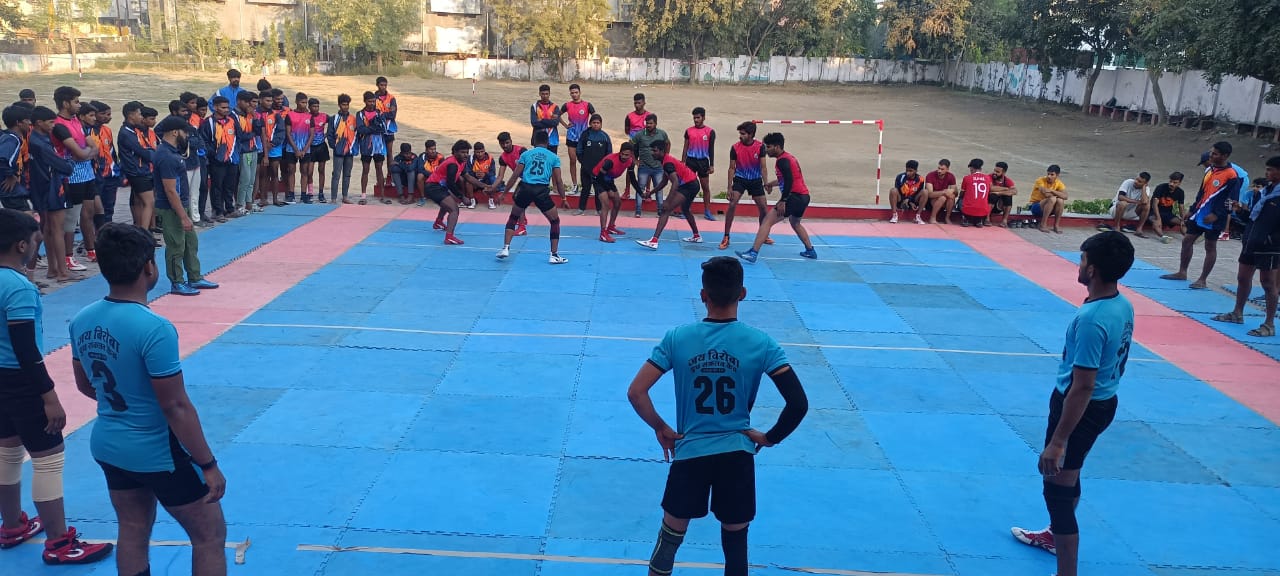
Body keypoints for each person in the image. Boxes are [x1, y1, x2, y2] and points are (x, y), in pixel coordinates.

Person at [626, 255, 808, 576]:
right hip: (736, 456)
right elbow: (798, 403)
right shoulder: (762, 343)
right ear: (743, 293)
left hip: (690, 453)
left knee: (668, 543)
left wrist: (661, 427)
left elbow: (636, 392)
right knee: (736, 548)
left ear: (703, 295)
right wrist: (769, 438)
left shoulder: (677, 338)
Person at [70, 222, 227, 576]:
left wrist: (124, 402)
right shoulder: (154, 328)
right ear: (149, 267)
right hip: (156, 450)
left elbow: (85, 385)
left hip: (109, 443)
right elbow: (175, 406)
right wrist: (207, 464)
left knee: (133, 527)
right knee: (209, 535)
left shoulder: (82, 319)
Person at [1011, 231, 1135, 576]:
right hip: (1103, 403)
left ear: (1092, 269)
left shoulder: (1092, 319)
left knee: (1057, 493)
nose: (1078, 265)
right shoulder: (1121, 304)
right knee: (1069, 476)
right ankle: (1054, 536)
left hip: (1080, 409)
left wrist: (1058, 441)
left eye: (1082, 259)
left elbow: (1082, 386)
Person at [0, 209, 115, 565]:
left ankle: (11, 525)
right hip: (22, 381)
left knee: (7, 451)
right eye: (36, 241)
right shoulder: (18, 288)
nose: (38, 247)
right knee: (48, 457)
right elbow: (25, 350)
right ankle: (59, 542)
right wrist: (48, 395)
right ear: (22, 245)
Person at [1211, 156, 1280, 337]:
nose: (1267, 172)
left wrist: (1270, 240)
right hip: (1251, 241)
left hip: (1269, 247)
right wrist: (1241, 210)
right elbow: (1254, 217)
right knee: (1242, 277)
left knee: (1268, 284)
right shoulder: (1264, 192)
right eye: (1267, 169)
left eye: (1271, 169)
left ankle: (1269, 324)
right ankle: (1237, 313)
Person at [1161, 142, 1243, 289]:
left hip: (1215, 218)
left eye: (1215, 154)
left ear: (1225, 156)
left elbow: (1232, 200)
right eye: (1211, 152)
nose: (1211, 155)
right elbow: (1202, 192)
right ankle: (1182, 272)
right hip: (1199, 213)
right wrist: (1192, 209)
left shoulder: (1232, 175)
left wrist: (1217, 215)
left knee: (1210, 246)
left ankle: (1203, 279)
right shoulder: (1209, 170)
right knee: (1187, 240)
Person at [153, 115, 220, 296]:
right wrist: (183, 216)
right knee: (176, 245)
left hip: (180, 205)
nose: (187, 136)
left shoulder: (172, 153)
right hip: (171, 208)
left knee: (190, 243)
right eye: (185, 132)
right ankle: (177, 282)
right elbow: (170, 190)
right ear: (175, 132)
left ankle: (194, 276)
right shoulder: (166, 156)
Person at [736, 133, 817, 263]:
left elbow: (789, 181)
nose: (766, 150)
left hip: (793, 197)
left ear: (777, 147)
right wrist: (770, 184)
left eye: (768, 147)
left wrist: (783, 201)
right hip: (804, 197)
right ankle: (810, 250)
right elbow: (788, 178)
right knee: (795, 223)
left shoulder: (782, 161)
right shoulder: (789, 158)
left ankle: (753, 253)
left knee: (767, 221)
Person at [496, 131, 569, 264]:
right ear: (548, 142)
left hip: (525, 188)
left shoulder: (526, 154)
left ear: (534, 142)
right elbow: (558, 181)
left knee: (513, 217)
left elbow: (515, 175)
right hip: (541, 190)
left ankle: (505, 248)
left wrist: (504, 193)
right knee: (555, 221)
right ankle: (554, 255)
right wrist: (564, 199)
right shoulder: (553, 157)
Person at [51, 87, 98, 273]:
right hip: (72, 177)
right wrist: (86, 153)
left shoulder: (77, 120)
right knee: (71, 219)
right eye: (76, 102)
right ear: (65, 103)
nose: (79, 105)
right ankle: (68, 257)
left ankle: (90, 249)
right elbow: (79, 153)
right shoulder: (59, 125)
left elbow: (93, 147)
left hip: (87, 174)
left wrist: (86, 153)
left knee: (89, 213)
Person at [28, 106, 76, 283]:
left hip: (39, 187)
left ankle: (53, 269)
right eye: (50, 122)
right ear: (39, 123)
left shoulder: (34, 138)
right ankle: (62, 271)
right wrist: (70, 161)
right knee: (57, 229)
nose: (53, 125)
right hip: (51, 187)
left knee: (48, 228)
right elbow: (64, 167)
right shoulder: (41, 144)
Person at [635, 141, 705, 249]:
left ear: (662, 151)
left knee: (665, 210)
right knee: (685, 209)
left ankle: (654, 241)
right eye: (651, 150)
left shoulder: (667, 163)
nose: (652, 153)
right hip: (693, 183)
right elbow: (664, 182)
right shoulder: (666, 161)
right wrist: (651, 193)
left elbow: (675, 182)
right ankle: (696, 236)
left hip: (689, 185)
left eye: (654, 150)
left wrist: (667, 201)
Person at [720, 122, 772, 249]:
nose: (740, 136)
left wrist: (766, 183)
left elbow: (763, 167)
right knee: (732, 204)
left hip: (755, 180)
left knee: (764, 208)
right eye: (740, 133)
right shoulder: (735, 148)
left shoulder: (760, 147)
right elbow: (731, 168)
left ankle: (763, 234)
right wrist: (729, 187)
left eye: (743, 134)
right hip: (740, 179)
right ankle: (726, 236)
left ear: (751, 134)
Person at [424, 140, 486, 245]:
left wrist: (484, 186)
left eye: (467, 152)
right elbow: (451, 184)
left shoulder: (462, 162)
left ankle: (438, 222)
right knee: (454, 210)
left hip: (439, 186)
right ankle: (449, 237)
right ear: (455, 152)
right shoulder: (452, 164)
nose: (465, 155)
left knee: (448, 202)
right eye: (462, 152)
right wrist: (462, 197)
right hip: (434, 187)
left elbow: (468, 177)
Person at [118, 101, 157, 229]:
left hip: (138, 170)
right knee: (149, 202)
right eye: (139, 114)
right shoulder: (126, 133)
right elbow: (141, 151)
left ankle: (141, 230)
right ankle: (144, 232)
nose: (141, 117)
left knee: (140, 202)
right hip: (137, 172)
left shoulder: (131, 131)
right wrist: (155, 155)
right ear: (131, 115)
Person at [201, 96, 240, 221]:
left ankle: (229, 209)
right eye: (223, 107)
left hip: (232, 159)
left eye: (227, 107)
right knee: (217, 186)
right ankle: (217, 211)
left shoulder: (232, 121)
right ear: (215, 107)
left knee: (229, 185)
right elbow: (204, 141)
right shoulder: (208, 123)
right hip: (217, 161)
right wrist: (215, 154)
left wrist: (234, 153)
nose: (226, 110)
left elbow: (238, 137)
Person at [592, 142, 637, 242]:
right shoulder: (610, 161)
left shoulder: (630, 161)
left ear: (631, 155)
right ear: (620, 152)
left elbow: (633, 179)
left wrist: (641, 193)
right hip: (598, 179)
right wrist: (608, 190)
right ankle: (603, 233)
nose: (624, 157)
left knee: (617, 202)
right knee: (606, 204)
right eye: (622, 154)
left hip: (609, 179)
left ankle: (611, 227)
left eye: (627, 155)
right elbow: (599, 178)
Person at [630, 113, 670, 218]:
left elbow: (668, 143)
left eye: (650, 123)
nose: (648, 125)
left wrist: (666, 157)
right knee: (640, 188)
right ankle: (638, 211)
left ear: (655, 123)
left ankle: (660, 211)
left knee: (659, 189)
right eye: (647, 123)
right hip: (644, 166)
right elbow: (630, 145)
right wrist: (635, 160)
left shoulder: (662, 134)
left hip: (658, 167)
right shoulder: (639, 134)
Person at [682, 107, 717, 221]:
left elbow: (711, 149)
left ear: (703, 117)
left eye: (698, 117)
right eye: (694, 118)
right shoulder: (688, 131)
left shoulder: (710, 132)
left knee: (705, 187)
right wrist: (683, 162)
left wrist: (711, 165)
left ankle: (707, 211)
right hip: (690, 161)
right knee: (688, 187)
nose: (696, 120)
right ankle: (686, 210)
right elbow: (685, 147)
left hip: (703, 162)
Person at [91, 101, 122, 225]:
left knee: (109, 207)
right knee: (96, 209)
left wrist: (116, 169)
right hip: (95, 175)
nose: (108, 117)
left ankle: (107, 230)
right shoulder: (88, 131)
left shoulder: (107, 130)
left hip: (110, 175)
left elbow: (112, 151)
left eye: (109, 114)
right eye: (103, 114)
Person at [560, 83, 595, 195]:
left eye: (576, 92)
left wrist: (591, 129)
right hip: (571, 137)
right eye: (572, 93)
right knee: (572, 161)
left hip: (584, 138)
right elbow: (556, 115)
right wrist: (565, 125)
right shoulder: (567, 105)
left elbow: (595, 118)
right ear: (570, 94)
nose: (574, 94)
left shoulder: (587, 105)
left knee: (586, 163)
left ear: (580, 92)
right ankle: (575, 186)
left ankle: (587, 186)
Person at [574, 113, 610, 216]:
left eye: (598, 123)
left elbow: (609, 153)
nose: (596, 124)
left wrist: (604, 166)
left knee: (598, 189)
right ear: (590, 123)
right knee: (585, 188)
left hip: (599, 170)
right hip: (586, 168)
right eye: (594, 122)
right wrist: (583, 162)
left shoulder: (605, 136)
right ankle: (581, 209)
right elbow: (579, 150)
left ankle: (599, 210)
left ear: (601, 124)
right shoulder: (585, 135)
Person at [355, 91, 386, 205]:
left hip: (378, 146)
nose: (372, 103)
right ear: (365, 101)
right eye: (369, 101)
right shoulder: (360, 114)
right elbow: (361, 129)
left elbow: (383, 129)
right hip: (366, 145)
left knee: (379, 169)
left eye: (373, 101)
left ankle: (382, 195)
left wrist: (370, 128)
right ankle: (363, 195)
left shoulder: (379, 112)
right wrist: (374, 128)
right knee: (365, 169)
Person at [326, 94, 357, 204]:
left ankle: (345, 197)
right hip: (338, 151)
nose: (346, 107)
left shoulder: (353, 119)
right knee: (336, 174)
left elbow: (357, 133)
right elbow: (329, 134)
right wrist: (334, 146)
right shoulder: (333, 119)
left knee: (347, 174)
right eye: (343, 105)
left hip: (349, 151)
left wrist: (354, 147)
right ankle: (333, 198)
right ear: (339, 105)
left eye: (347, 105)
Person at [233, 91, 261, 215]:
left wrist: (255, 117)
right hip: (243, 151)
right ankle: (240, 204)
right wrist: (252, 134)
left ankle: (249, 203)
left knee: (251, 179)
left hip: (253, 149)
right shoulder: (234, 115)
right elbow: (240, 136)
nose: (250, 105)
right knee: (244, 179)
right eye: (247, 102)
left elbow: (258, 131)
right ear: (239, 101)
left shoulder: (250, 115)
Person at [494, 133, 528, 234]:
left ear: (511, 141)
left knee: (519, 199)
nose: (505, 146)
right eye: (502, 144)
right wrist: (491, 187)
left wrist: (503, 194)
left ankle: (522, 227)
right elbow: (500, 176)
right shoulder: (502, 158)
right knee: (517, 198)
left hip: (532, 178)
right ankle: (523, 220)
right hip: (525, 179)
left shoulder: (522, 151)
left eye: (507, 143)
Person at [1099, 172, 1152, 237]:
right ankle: (1116, 227)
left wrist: (1143, 189)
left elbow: (1144, 202)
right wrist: (1136, 202)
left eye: (1139, 182)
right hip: (1116, 210)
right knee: (1123, 203)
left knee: (1147, 205)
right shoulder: (1128, 182)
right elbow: (1120, 197)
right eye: (1136, 179)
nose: (1136, 182)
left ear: (1145, 183)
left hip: (1130, 212)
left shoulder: (1146, 189)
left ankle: (1139, 229)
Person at [283, 92, 313, 204]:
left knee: (304, 171)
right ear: (296, 102)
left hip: (305, 149)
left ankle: (304, 195)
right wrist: (296, 149)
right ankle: (291, 195)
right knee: (291, 171)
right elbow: (288, 133)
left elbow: (312, 135)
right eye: (302, 102)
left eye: (305, 102)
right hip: (291, 149)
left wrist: (304, 150)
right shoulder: (290, 115)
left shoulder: (309, 116)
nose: (304, 105)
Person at [623, 93, 649, 202]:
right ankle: (627, 191)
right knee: (630, 167)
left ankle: (647, 191)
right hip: (633, 147)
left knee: (647, 168)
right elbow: (627, 130)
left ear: (644, 103)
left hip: (645, 146)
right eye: (635, 103)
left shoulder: (649, 116)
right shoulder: (629, 116)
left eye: (639, 103)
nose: (637, 105)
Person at [1149, 171, 1186, 243]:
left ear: (1179, 183)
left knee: (1183, 224)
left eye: (1175, 182)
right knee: (1156, 222)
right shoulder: (1160, 187)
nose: (1171, 184)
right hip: (1154, 212)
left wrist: (1182, 219)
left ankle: (1188, 237)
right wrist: (1158, 218)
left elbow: (1181, 207)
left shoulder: (1180, 192)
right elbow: (1154, 204)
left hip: (1168, 214)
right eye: (1170, 181)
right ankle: (1163, 237)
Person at [1031, 165, 1068, 233]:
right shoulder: (1040, 180)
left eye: (1052, 175)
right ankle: (1043, 224)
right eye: (1048, 174)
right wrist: (1058, 194)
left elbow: (1065, 196)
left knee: (1060, 200)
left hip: (1050, 208)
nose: (1049, 176)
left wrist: (1052, 191)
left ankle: (1056, 225)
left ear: (1057, 175)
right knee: (1052, 199)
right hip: (1036, 207)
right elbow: (1046, 194)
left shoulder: (1059, 183)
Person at [890, 160, 927, 225]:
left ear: (916, 171)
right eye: (907, 170)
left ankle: (918, 216)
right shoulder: (900, 177)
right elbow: (898, 191)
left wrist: (910, 201)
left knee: (925, 192)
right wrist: (905, 200)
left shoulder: (921, 179)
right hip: (901, 200)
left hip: (913, 201)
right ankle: (894, 215)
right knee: (893, 190)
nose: (908, 173)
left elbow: (918, 193)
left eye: (910, 171)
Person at [959, 158, 992, 227]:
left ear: (971, 168)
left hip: (968, 209)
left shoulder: (967, 178)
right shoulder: (988, 178)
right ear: (981, 168)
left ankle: (965, 219)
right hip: (983, 211)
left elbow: (962, 193)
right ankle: (979, 220)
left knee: (961, 199)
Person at [530, 84, 562, 155]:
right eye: (543, 94)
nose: (545, 96)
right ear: (539, 94)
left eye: (546, 94)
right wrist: (550, 122)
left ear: (549, 94)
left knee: (552, 160)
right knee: (539, 159)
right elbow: (534, 123)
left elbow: (556, 123)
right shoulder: (534, 106)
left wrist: (542, 120)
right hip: (539, 139)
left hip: (552, 139)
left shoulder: (555, 107)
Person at [308, 98, 329, 203]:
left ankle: (321, 193)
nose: (316, 108)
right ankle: (310, 192)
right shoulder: (307, 117)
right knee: (309, 171)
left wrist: (326, 135)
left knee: (321, 170)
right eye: (314, 106)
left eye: (317, 106)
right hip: (310, 147)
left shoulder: (324, 116)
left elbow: (334, 124)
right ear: (309, 107)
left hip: (321, 146)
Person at [923, 159, 957, 225]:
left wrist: (952, 190)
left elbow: (956, 193)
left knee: (952, 196)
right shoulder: (930, 175)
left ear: (947, 169)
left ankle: (947, 218)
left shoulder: (951, 176)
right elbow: (929, 194)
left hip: (943, 202)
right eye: (938, 168)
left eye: (942, 169)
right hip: (931, 201)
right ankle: (932, 217)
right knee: (943, 197)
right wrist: (944, 192)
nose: (939, 171)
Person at [463, 142, 496, 209]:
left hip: (486, 181)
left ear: (484, 150)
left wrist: (485, 175)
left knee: (493, 179)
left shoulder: (490, 158)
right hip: (475, 181)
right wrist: (475, 174)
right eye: (478, 152)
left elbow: (493, 172)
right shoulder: (470, 159)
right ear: (474, 152)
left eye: (482, 152)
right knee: (468, 180)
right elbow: (467, 172)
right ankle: (472, 200)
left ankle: (491, 200)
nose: (480, 154)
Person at [413, 140, 444, 208]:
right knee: (420, 176)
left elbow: (443, 171)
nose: (433, 151)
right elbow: (420, 169)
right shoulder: (422, 156)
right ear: (426, 150)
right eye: (431, 149)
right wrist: (431, 175)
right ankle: (422, 197)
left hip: (437, 177)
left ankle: (440, 197)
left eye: (434, 149)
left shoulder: (440, 157)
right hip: (428, 176)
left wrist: (435, 176)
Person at [988, 161, 1018, 227]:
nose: (994, 173)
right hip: (989, 205)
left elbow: (1015, 191)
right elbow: (991, 188)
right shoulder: (989, 177)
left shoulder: (1007, 180)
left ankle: (1004, 221)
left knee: (1008, 197)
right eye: (994, 170)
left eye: (997, 172)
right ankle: (987, 219)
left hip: (999, 206)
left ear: (1004, 172)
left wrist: (999, 193)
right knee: (993, 195)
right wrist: (1006, 189)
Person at [374, 76, 398, 150]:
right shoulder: (373, 98)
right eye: (381, 85)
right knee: (378, 153)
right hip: (377, 128)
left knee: (389, 152)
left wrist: (381, 114)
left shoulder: (391, 98)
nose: (383, 87)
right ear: (377, 85)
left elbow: (392, 115)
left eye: (385, 85)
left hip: (389, 128)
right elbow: (372, 114)